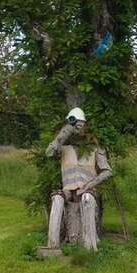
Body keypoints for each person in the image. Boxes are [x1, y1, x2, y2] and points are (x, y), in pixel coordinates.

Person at [45, 107, 113, 251]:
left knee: (87, 199)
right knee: (57, 199)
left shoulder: (95, 147)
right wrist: (64, 132)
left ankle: (90, 245)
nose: (78, 128)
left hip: (88, 189)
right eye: (75, 124)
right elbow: (49, 153)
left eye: (80, 125)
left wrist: (89, 185)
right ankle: (53, 244)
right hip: (68, 189)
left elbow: (107, 171)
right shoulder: (63, 148)